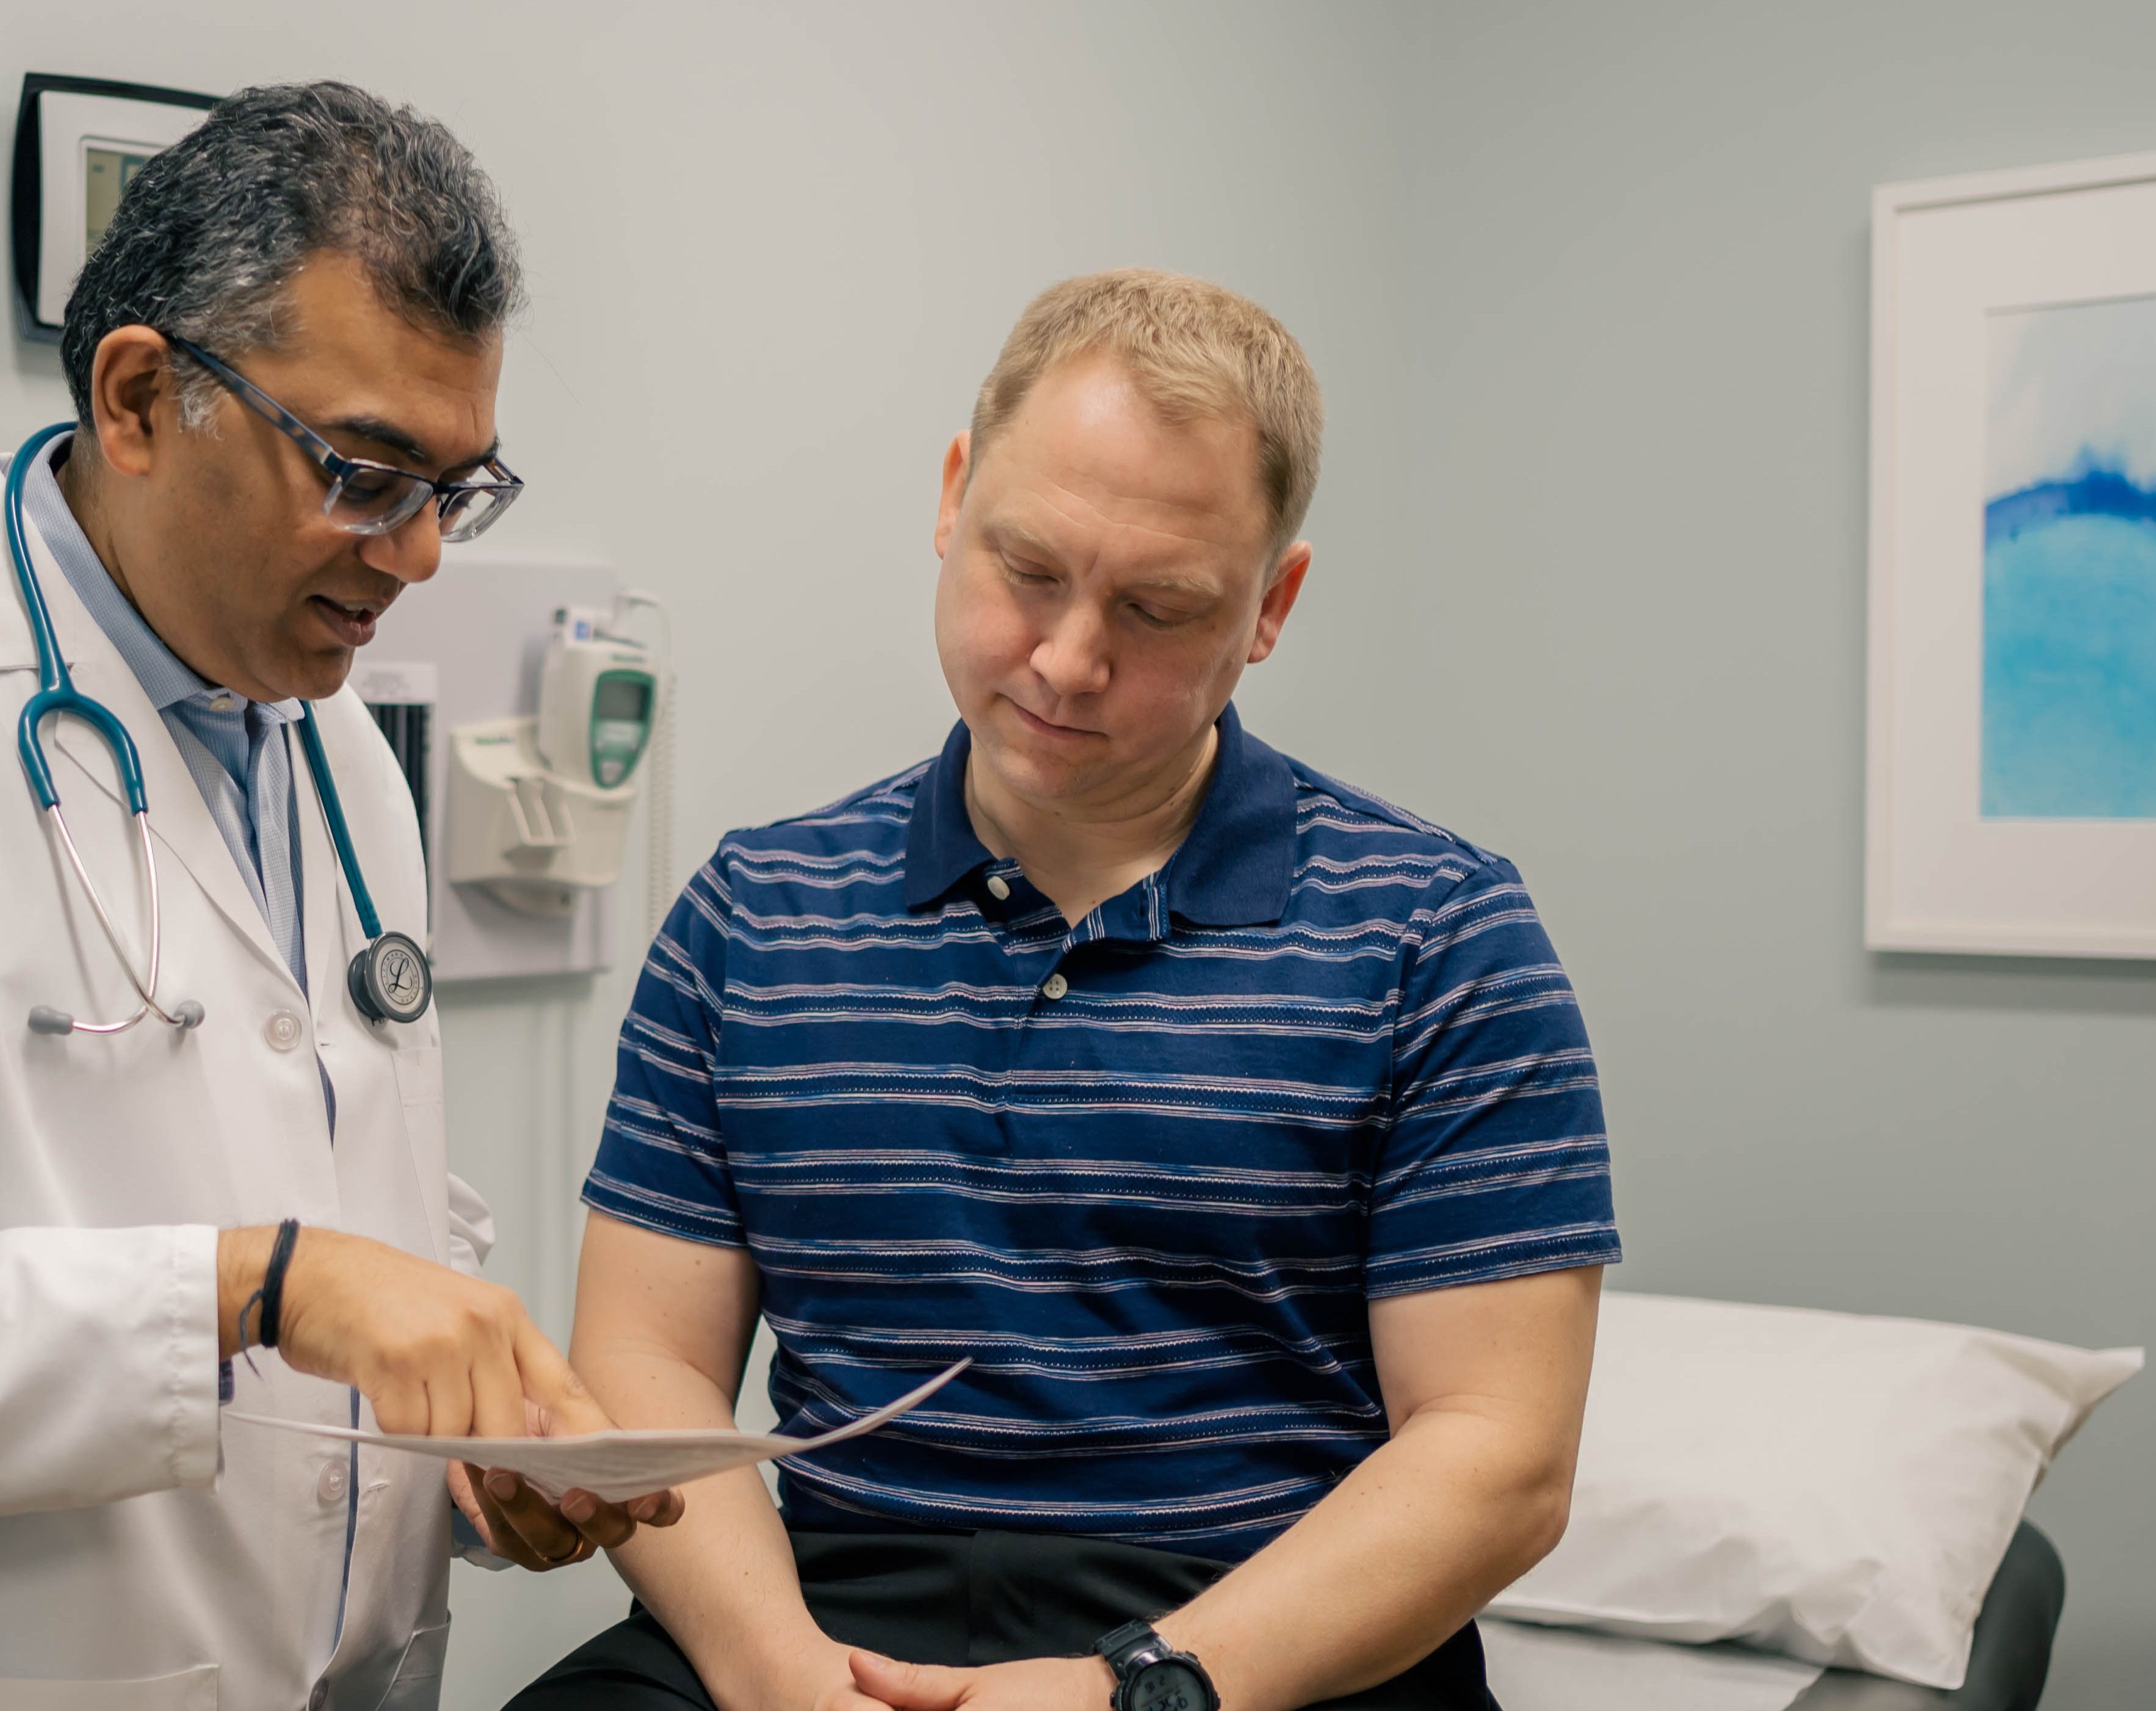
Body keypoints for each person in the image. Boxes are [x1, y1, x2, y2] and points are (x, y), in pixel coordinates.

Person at [0, 82, 671, 1711]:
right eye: (367, 472)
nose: (424, 553)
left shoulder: (344, 756)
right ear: (145, 397)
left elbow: (341, 1203)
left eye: (458, 484)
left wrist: (470, 1454)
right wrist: (263, 1283)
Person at [515, 271, 1620, 1711]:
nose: (1067, 660)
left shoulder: (1439, 939)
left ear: (1271, 606)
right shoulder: (753, 916)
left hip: (1253, 1639)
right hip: (829, 1605)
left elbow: (1497, 1455)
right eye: (1028, 570)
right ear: (954, 496)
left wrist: (1140, 1690)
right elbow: (647, 1354)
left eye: (1160, 610)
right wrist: (779, 1674)